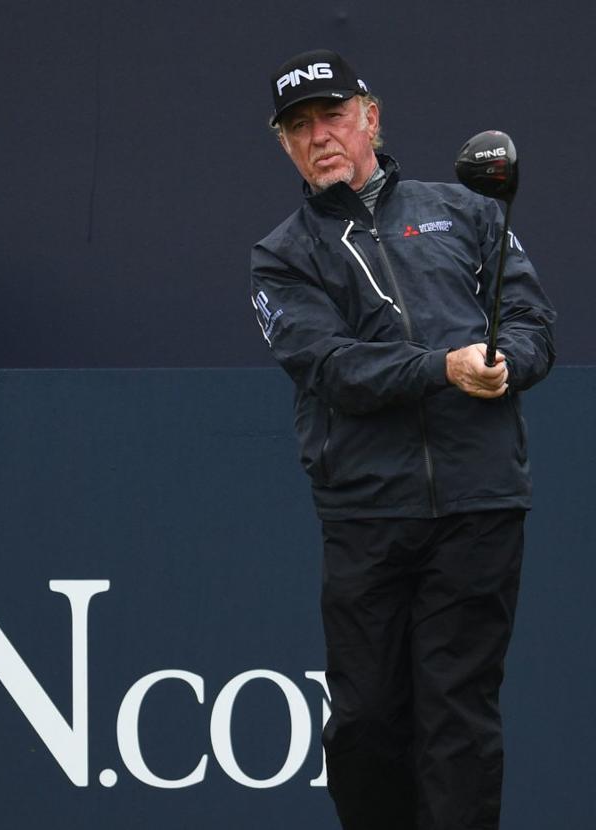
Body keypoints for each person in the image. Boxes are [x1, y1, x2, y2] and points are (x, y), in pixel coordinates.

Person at [250, 49, 556, 830]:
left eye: (332, 115)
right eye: (299, 126)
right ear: (285, 144)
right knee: (366, 724)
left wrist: (505, 364)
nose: (320, 136)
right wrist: (443, 368)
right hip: (368, 514)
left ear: (371, 117)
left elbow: (532, 325)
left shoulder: (468, 211)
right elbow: (333, 368)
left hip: (479, 502)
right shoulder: (281, 256)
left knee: (459, 718)